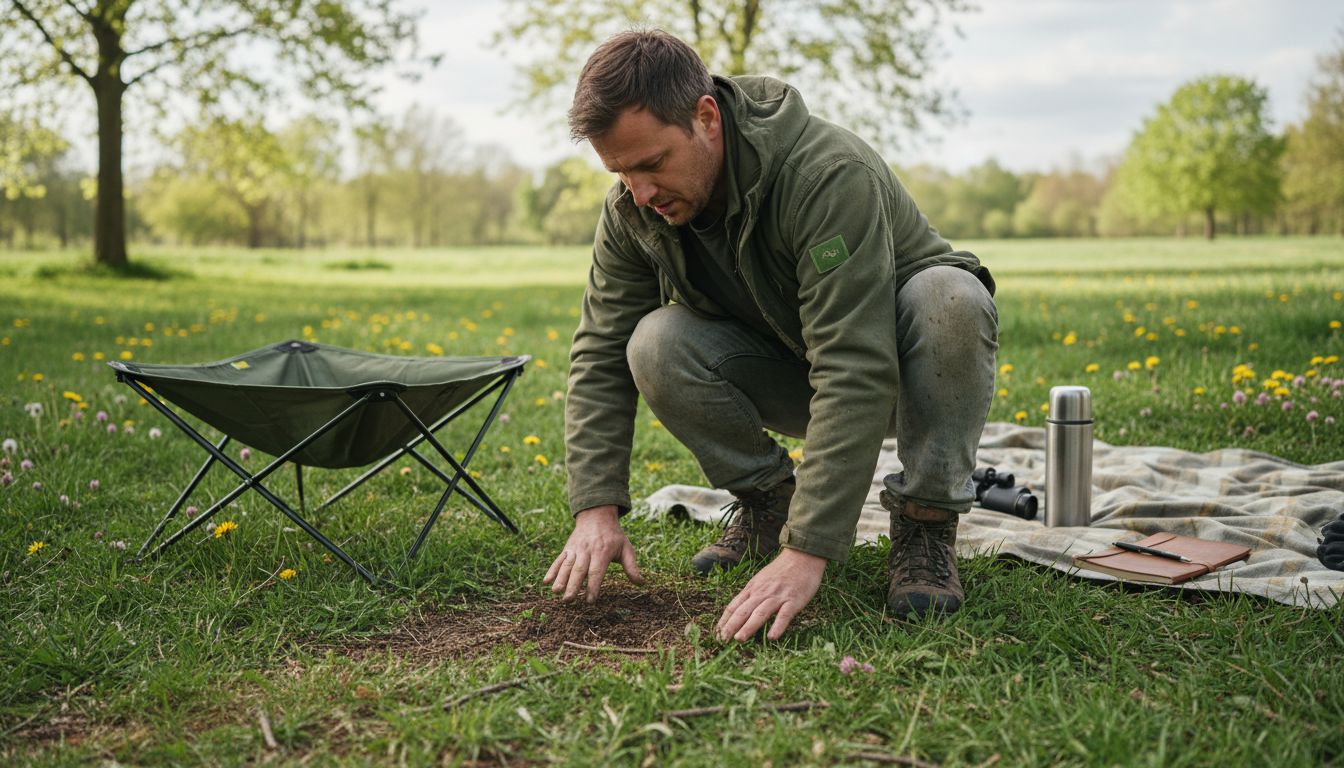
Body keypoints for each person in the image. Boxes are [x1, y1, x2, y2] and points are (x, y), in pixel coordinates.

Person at [543, 29, 998, 642]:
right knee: (653, 340)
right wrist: (595, 509)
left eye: (652, 163)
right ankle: (768, 501)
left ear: (706, 117)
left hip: (907, 374)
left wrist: (807, 553)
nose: (640, 192)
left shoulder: (827, 175)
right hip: (793, 370)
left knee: (951, 298)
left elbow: (854, 366)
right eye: (621, 171)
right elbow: (600, 350)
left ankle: (925, 522)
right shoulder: (632, 210)